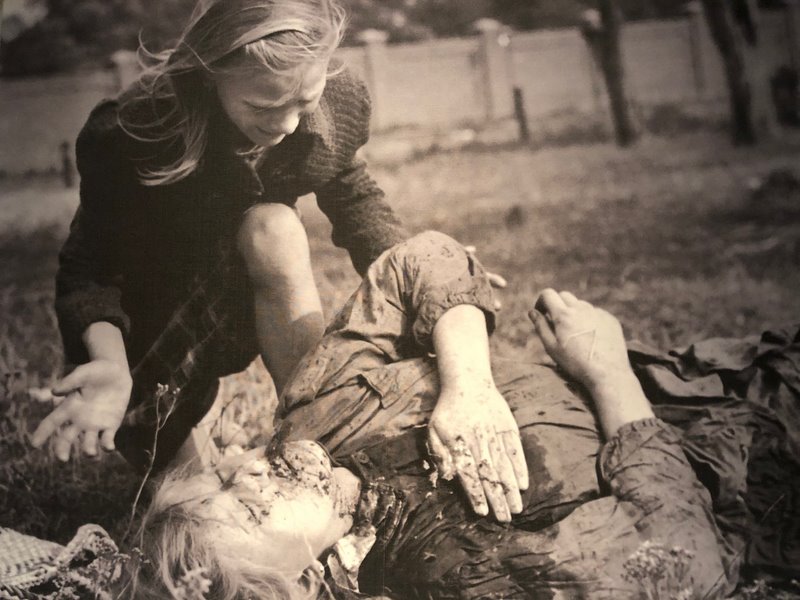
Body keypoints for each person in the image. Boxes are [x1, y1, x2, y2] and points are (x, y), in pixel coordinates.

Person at [131, 232, 800, 599]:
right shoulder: (456, 577)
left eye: (224, 476)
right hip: (768, 449)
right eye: (250, 512)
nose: (252, 470)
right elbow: (682, 559)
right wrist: (608, 373)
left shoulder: (317, 413)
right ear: (299, 585)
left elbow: (420, 260)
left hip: (722, 365)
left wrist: (469, 384)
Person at [30, 0, 411, 471]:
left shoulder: (335, 104)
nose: (287, 124)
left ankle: (314, 428)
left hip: (239, 300)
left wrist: (416, 272)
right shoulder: (136, 130)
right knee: (194, 501)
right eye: (263, 105)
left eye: (304, 101)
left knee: (274, 226)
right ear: (210, 74)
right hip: (151, 327)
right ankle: (176, 431)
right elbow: (89, 269)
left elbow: (354, 195)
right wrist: (109, 363)